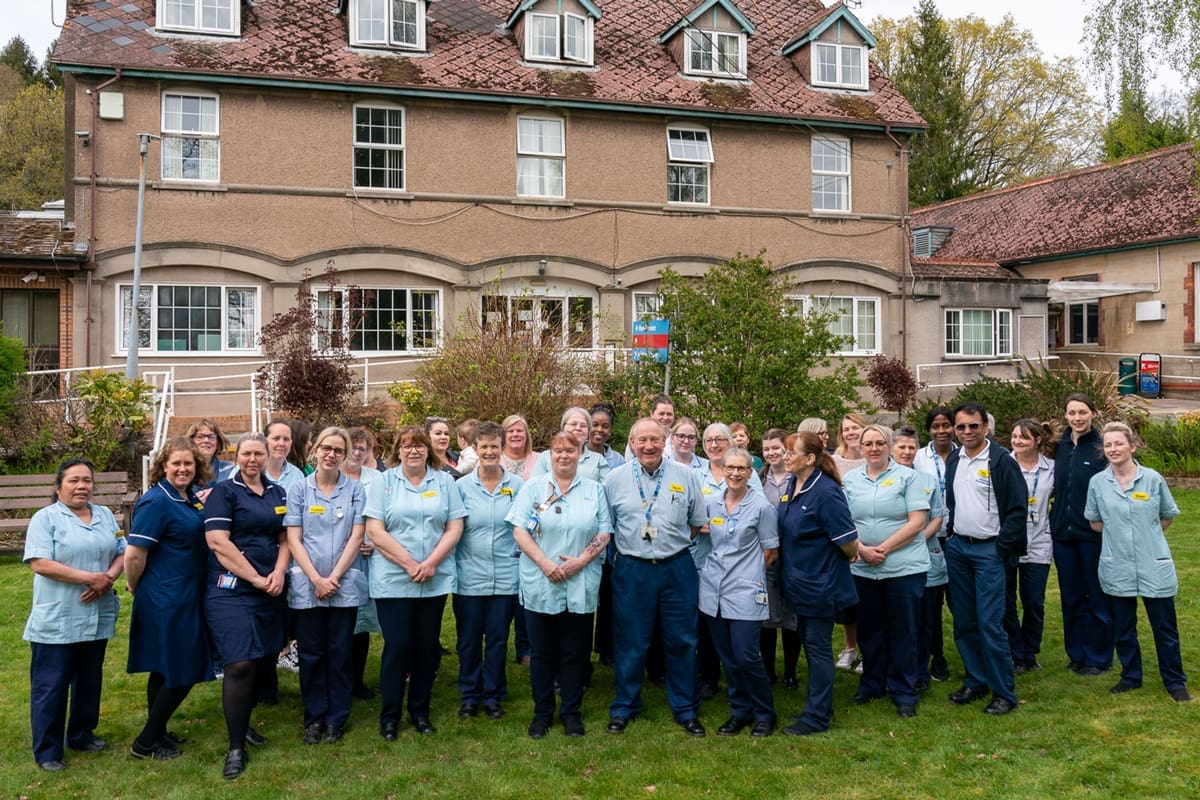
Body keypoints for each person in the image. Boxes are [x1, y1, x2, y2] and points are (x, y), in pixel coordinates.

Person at [605, 417, 707, 737]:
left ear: (665, 440)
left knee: (681, 639)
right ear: (632, 443)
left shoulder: (686, 476)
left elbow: (696, 522)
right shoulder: (615, 479)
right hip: (633, 569)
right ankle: (625, 705)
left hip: (676, 566)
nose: (648, 446)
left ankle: (685, 708)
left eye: (655, 439)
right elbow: (607, 527)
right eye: (642, 440)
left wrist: (669, 545)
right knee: (632, 640)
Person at [23, 459, 126, 772]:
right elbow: (40, 562)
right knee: (51, 685)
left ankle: (81, 734)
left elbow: (123, 550)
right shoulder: (46, 518)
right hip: (59, 615)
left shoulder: (105, 515)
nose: (82, 486)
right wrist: (89, 578)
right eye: (74, 481)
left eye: (87, 480)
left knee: (89, 680)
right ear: (58, 487)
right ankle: (48, 751)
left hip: (96, 611)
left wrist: (106, 578)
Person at [508, 431, 612, 738]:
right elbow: (519, 531)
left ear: (580, 454)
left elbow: (604, 532)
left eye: (570, 451)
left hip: (580, 581)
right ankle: (542, 714)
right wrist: (545, 563)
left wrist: (580, 561)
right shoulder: (534, 488)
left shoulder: (594, 490)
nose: (564, 456)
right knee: (542, 653)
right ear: (549, 455)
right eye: (557, 451)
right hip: (542, 580)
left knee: (575, 652)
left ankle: (571, 713)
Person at [365, 425, 466, 738]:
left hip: (432, 578)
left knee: (426, 648)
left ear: (427, 450)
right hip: (394, 577)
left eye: (419, 445)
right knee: (397, 646)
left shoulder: (445, 481)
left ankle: (420, 712)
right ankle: (390, 717)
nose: (413, 450)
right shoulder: (384, 482)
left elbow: (455, 526)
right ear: (398, 450)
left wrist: (431, 562)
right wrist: (410, 563)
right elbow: (375, 530)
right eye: (407, 445)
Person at [203, 433, 290, 779]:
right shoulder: (224, 492)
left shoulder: (277, 493)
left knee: (261, 659)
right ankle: (235, 748)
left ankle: (245, 722)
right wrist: (255, 577)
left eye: (258, 453)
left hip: (271, 589)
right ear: (236, 457)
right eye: (246, 453)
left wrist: (280, 572)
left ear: (268, 456)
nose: (252, 459)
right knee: (239, 663)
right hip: (232, 590)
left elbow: (285, 537)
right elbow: (217, 542)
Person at [1085, 422, 1190, 702]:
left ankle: (1175, 680)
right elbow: (1095, 521)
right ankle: (1131, 676)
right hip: (1116, 563)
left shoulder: (1152, 479)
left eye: (1118, 443)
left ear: (1131, 446)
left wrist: (1145, 534)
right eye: (1108, 445)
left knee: (1164, 627)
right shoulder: (1098, 483)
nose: (1113, 449)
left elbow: (1167, 515)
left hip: (1152, 562)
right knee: (1123, 626)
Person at [125, 439, 215, 761]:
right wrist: (133, 585)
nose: (183, 469)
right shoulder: (156, 502)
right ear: (164, 465)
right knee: (184, 668)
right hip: (166, 598)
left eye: (188, 464)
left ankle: (159, 732)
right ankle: (145, 742)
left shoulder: (189, 498)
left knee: (163, 669)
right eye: (176, 463)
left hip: (187, 594)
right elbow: (135, 554)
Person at [943, 402, 1027, 716]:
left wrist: (1000, 548)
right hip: (959, 550)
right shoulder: (955, 458)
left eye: (973, 426)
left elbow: (1018, 511)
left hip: (989, 551)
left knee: (991, 623)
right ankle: (975, 681)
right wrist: (951, 536)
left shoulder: (1002, 461)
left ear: (986, 427)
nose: (967, 432)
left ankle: (1004, 692)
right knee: (964, 622)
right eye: (961, 426)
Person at [285, 427, 366, 745]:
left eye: (338, 450)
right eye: (326, 448)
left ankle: (336, 718)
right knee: (312, 654)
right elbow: (294, 537)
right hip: (308, 584)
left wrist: (333, 577)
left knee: (340, 653)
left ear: (345, 456)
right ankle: (314, 718)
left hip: (343, 583)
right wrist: (317, 579)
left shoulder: (355, 490)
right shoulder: (299, 490)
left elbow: (356, 536)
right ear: (315, 451)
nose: (331, 454)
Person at [842, 424, 930, 718]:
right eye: (868, 443)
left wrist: (885, 548)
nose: (874, 448)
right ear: (860, 447)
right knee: (870, 629)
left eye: (880, 442)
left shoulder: (909, 477)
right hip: (864, 569)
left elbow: (917, 521)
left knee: (904, 630)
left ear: (890, 446)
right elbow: (844, 521)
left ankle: (904, 690)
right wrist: (862, 549)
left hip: (903, 567)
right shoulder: (850, 480)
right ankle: (872, 684)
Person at [776, 433, 859, 736]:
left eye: (790, 452)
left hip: (820, 584)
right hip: (798, 581)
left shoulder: (825, 492)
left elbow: (848, 542)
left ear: (810, 458)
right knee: (811, 647)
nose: (785, 457)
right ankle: (821, 705)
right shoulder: (792, 484)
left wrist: (844, 559)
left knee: (818, 647)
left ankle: (816, 717)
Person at [699, 447, 778, 737]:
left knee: (746, 655)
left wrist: (750, 573)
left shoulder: (761, 508)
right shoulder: (711, 504)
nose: (734, 473)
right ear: (722, 469)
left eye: (741, 469)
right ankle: (740, 712)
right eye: (729, 468)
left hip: (745, 590)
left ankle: (765, 714)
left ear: (750, 472)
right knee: (729, 657)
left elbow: (770, 551)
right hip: (713, 590)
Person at [454, 421, 523, 721]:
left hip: (506, 576)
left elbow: (525, 527)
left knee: (496, 640)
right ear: (475, 449)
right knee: (468, 640)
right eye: (484, 447)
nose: (490, 452)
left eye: (495, 446)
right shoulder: (461, 487)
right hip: (469, 577)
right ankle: (470, 695)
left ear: (503, 448)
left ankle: (493, 694)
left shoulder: (518, 487)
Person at [1051, 393, 1112, 675]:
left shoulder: (1101, 448)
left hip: (1092, 535)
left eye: (1082, 412)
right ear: (1066, 416)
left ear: (1093, 414)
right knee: (1072, 597)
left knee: (1096, 596)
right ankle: (1076, 653)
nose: (1077, 418)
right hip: (1063, 535)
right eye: (1072, 413)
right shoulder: (1061, 446)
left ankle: (1099, 657)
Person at [911, 405, 957, 682]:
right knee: (931, 601)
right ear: (929, 429)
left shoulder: (963, 455)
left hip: (960, 535)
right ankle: (936, 655)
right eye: (936, 426)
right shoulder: (918, 458)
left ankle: (970, 650)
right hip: (929, 535)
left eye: (946, 425)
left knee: (959, 600)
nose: (942, 431)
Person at [1007, 419, 1054, 675]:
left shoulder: (1051, 469)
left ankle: (1030, 650)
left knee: (1034, 601)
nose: (1017, 442)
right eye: (1014, 437)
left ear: (1037, 440)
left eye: (1024, 437)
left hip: (1039, 540)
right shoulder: (1003, 464)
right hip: (1010, 541)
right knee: (1008, 602)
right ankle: (1016, 652)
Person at [343, 427, 383, 699]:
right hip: (337, 560)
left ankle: (356, 679)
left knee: (362, 623)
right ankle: (338, 679)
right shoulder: (334, 477)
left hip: (369, 559)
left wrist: (376, 542)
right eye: (352, 447)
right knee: (340, 623)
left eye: (362, 448)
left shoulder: (377, 479)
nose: (357, 452)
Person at [758, 427, 800, 689]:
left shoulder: (797, 478)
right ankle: (768, 671)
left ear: (786, 450)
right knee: (767, 616)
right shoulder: (758, 479)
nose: (772, 453)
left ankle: (791, 672)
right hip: (765, 557)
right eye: (767, 449)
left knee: (792, 618)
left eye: (777, 448)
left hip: (794, 557)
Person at [831, 412, 868, 672]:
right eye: (847, 429)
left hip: (870, 533)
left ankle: (869, 651)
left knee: (868, 599)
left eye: (855, 428)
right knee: (847, 599)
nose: (851, 433)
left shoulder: (872, 457)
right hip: (843, 536)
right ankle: (849, 648)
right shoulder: (834, 461)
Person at [530, 407, 610, 483]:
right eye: (573, 424)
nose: (578, 428)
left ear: (588, 431)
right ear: (563, 428)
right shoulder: (546, 457)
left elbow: (605, 490)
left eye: (583, 425)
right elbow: (533, 488)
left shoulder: (598, 460)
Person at [187, 418, 236, 498]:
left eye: (211, 437)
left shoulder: (229, 470)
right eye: (200, 437)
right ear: (191, 441)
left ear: (218, 441)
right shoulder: (184, 469)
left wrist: (216, 493)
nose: (206, 440)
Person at [624, 394, 676, 460]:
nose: (665, 418)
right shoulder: (639, 436)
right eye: (661, 414)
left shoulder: (679, 439)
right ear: (652, 414)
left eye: (669, 414)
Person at [263, 419, 306, 491]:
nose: (281, 444)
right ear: (265, 440)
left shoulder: (297, 476)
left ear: (291, 443)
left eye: (286, 439)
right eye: (276, 438)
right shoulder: (247, 472)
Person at [500, 414, 539, 481]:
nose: (515, 434)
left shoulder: (540, 459)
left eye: (519, 431)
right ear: (503, 436)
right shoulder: (493, 459)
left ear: (526, 434)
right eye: (510, 431)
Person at [588, 403, 625, 470]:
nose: (599, 429)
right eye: (595, 425)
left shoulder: (618, 460)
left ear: (610, 430)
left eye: (605, 426)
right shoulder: (576, 455)